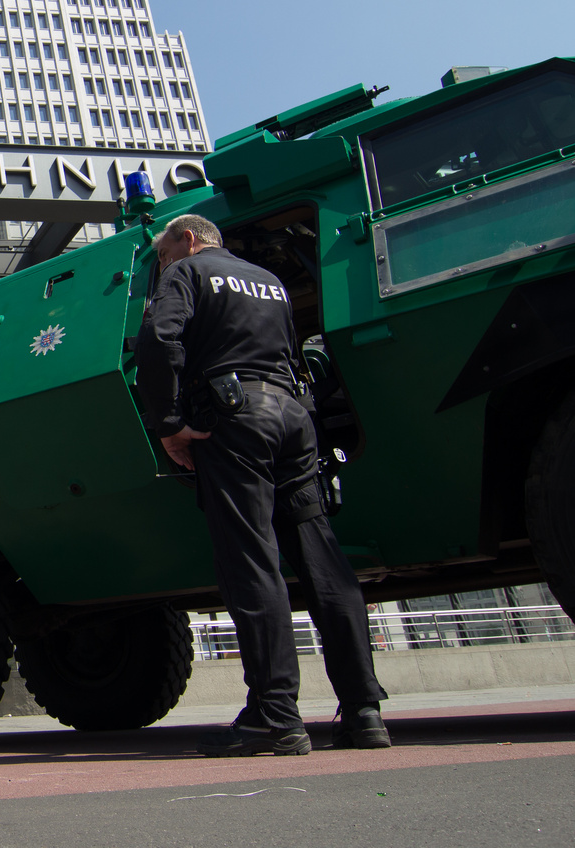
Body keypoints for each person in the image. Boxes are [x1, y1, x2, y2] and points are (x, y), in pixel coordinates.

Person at [134, 213, 390, 757]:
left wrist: (170, 422)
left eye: (163, 253)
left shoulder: (187, 272)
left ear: (188, 238)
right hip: (294, 420)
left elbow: (158, 338)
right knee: (322, 558)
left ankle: (275, 715)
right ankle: (364, 709)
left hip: (235, 418)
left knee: (251, 559)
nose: (164, 264)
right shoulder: (267, 281)